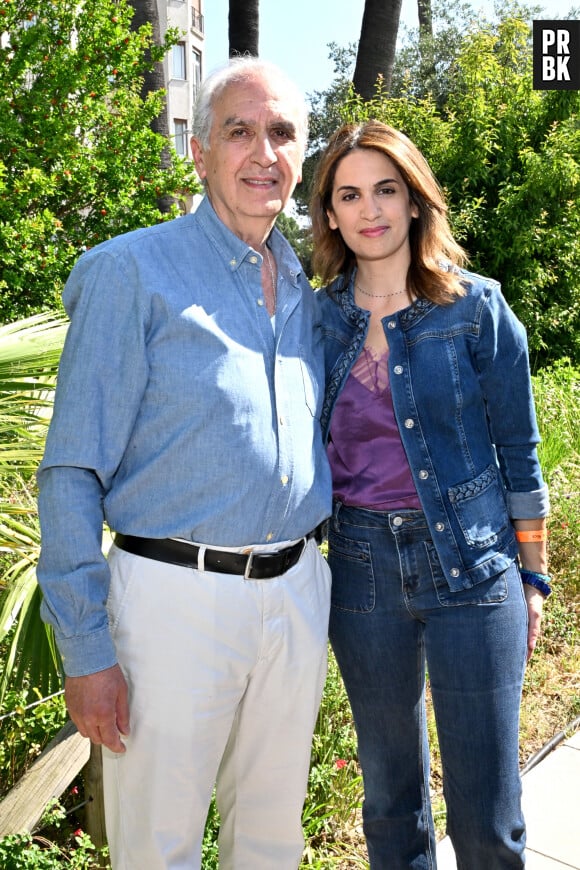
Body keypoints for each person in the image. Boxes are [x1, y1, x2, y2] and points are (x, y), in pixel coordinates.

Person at [36, 57, 333, 870]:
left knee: (271, 840)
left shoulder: (309, 288)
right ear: (199, 153)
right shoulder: (131, 272)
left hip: (298, 592)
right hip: (173, 603)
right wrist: (87, 651)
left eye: (281, 133)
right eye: (239, 131)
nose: (262, 151)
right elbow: (70, 471)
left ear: (302, 157)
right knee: (158, 848)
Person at [310, 120, 550, 870]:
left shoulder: (476, 308)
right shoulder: (314, 320)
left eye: (386, 189)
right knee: (389, 805)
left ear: (416, 203)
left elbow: (520, 448)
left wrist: (534, 574)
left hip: (474, 568)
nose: (369, 209)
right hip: (360, 571)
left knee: (486, 818)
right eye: (349, 194)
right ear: (329, 214)